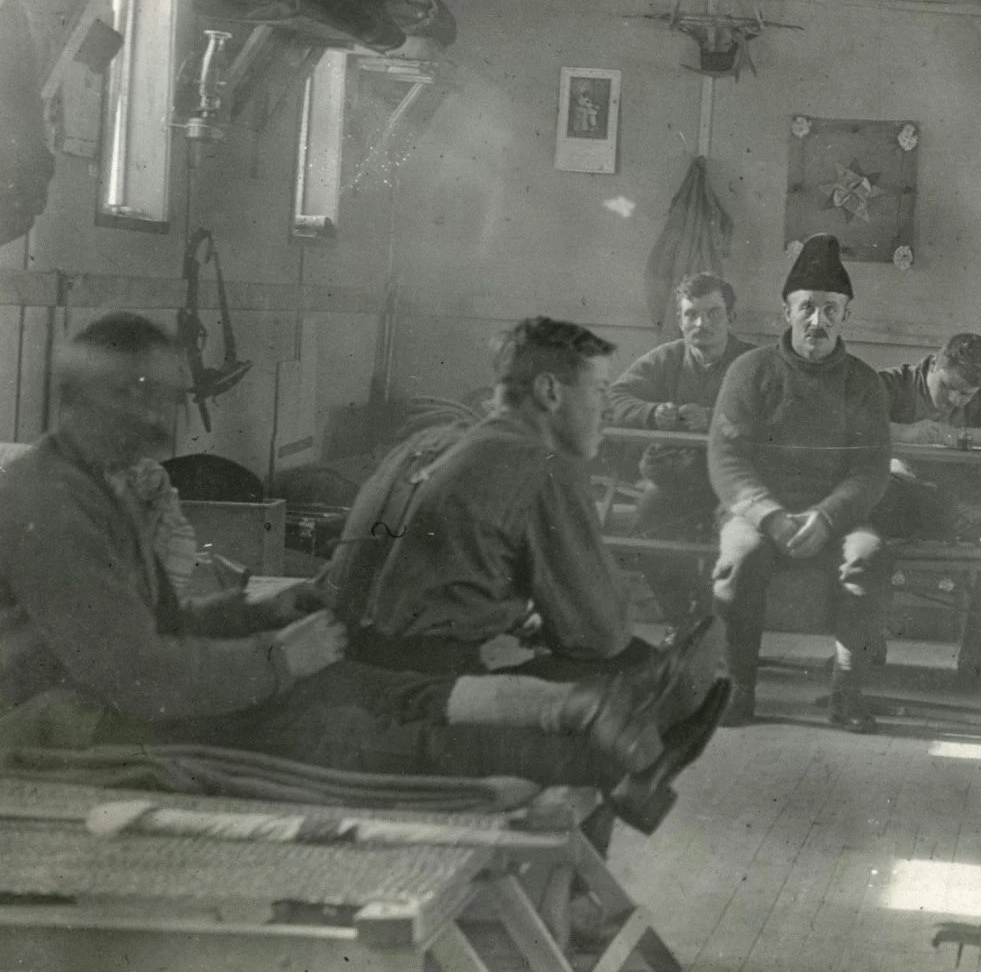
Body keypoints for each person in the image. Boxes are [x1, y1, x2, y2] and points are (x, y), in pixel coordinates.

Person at [0, 314, 721, 832]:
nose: (168, 419)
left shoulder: (96, 485)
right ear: (112, 397)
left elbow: (158, 628)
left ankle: (606, 725)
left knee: (388, 694)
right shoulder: (50, 504)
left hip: (171, 683)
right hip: (78, 723)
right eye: (155, 398)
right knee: (382, 733)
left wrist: (264, 613)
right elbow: (138, 678)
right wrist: (277, 658)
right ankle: (614, 749)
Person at [329, 317, 655, 682]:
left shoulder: (425, 445)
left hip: (345, 662)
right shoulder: (544, 464)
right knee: (636, 662)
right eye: (599, 390)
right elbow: (600, 635)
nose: (609, 409)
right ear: (549, 390)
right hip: (423, 688)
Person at [709, 233, 893, 730]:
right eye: (807, 307)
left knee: (867, 556)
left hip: (835, 517)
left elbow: (871, 469)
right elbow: (727, 458)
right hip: (756, 513)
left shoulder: (863, 382)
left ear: (845, 316)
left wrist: (828, 517)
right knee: (740, 557)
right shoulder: (750, 371)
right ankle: (737, 687)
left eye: (831, 309)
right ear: (786, 312)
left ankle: (847, 693)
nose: (817, 321)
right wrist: (769, 516)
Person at [874, 332, 981, 683]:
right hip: (905, 492)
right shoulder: (894, 382)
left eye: (967, 394)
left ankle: (974, 654)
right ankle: (866, 646)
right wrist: (905, 433)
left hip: (971, 497)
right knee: (862, 530)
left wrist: (958, 436)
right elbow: (852, 421)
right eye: (947, 387)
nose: (955, 400)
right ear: (934, 363)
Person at [608, 273, 757, 541]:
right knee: (647, 523)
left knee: (741, 539)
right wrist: (652, 413)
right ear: (679, 320)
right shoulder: (667, 357)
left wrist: (712, 419)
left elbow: (777, 416)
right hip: (676, 481)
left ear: (731, 317)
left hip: (738, 480)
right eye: (691, 314)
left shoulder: (755, 363)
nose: (701, 323)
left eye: (713, 314)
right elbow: (615, 397)